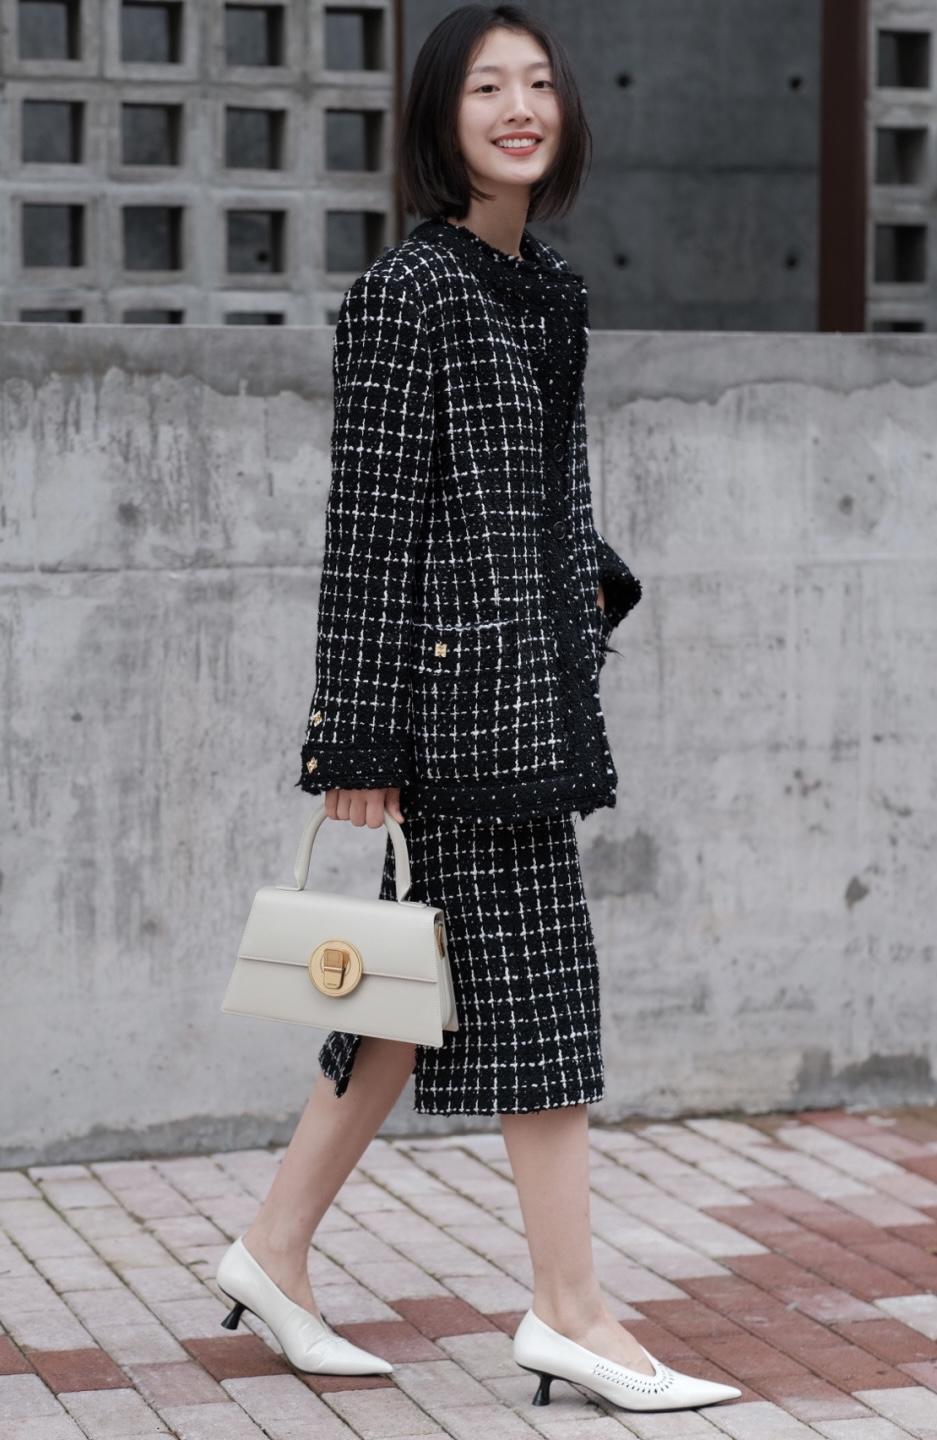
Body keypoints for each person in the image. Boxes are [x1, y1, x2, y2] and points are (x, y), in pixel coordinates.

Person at [216, 3, 741, 1415]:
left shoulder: (547, 290)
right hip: (456, 719)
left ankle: (273, 1249)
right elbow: (372, 527)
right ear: (440, 118)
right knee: (542, 1000)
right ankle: (570, 1311)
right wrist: (356, 739)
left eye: (539, 83)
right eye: (487, 87)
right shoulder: (410, 293)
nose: (520, 106)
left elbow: (536, 490)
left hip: (530, 692)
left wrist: (584, 586)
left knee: (407, 995)